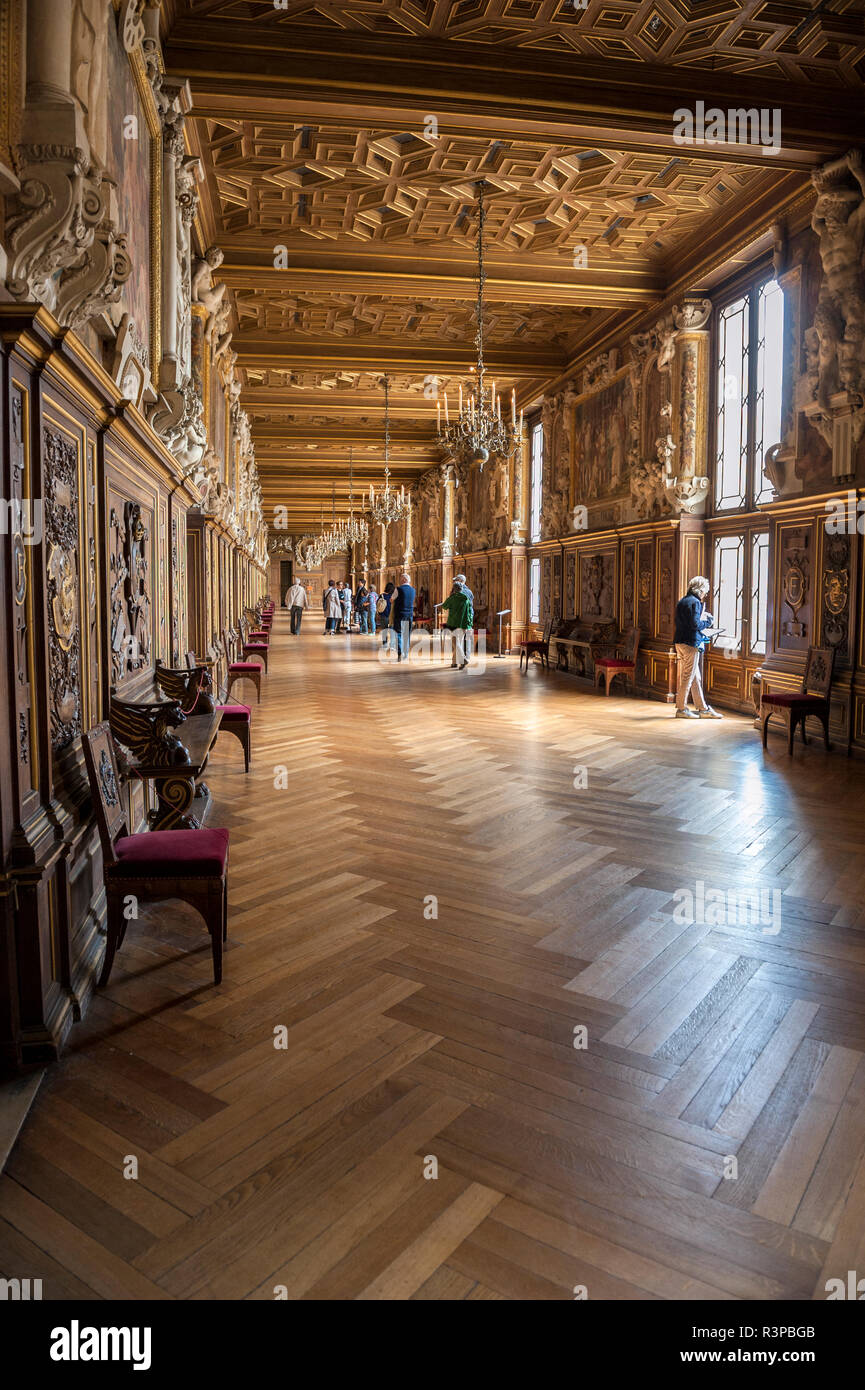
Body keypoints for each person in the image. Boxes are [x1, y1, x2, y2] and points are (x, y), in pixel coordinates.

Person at [674, 576, 723, 718]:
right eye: (705, 592)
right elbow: (695, 625)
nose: (705, 595)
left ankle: (703, 709)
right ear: (700, 590)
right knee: (688, 677)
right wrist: (708, 622)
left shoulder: (682, 601)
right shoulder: (695, 602)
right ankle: (681, 709)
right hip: (690, 643)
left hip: (680, 642)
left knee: (695, 677)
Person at [441, 576, 474, 670]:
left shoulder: (452, 598)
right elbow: (470, 611)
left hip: (453, 623)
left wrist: (450, 598)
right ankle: (454, 662)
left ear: (454, 589)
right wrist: (469, 624)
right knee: (458, 642)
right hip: (464, 623)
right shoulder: (466, 599)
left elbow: (444, 606)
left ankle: (463, 659)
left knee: (456, 643)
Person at [392, 571, 416, 662]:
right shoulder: (413, 590)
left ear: (404, 579)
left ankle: (399, 652)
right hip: (409, 615)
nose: (400, 581)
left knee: (398, 633)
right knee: (406, 634)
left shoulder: (398, 589)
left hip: (399, 615)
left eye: (401, 579)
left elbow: (391, 599)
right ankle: (405, 653)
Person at [378, 581, 395, 652]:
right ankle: (392, 646)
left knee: (384, 630)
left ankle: (385, 645)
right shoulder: (394, 596)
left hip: (383, 615)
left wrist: (379, 614)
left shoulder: (382, 595)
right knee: (392, 631)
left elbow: (378, 605)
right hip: (392, 616)